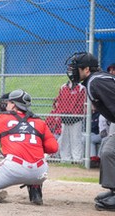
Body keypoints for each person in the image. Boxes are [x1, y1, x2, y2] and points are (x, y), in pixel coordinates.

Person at [65, 52, 115, 211]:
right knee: (107, 147)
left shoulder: (95, 81)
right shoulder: (96, 80)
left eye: (77, 68)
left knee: (109, 150)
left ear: (86, 69)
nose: (73, 71)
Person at [55, 80, 86, 162]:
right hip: (64, 118)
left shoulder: (81, 88)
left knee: (76, 139)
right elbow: (59, 101)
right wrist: (60, 114)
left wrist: (74, 115)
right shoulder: (63, 87)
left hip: (76, 118)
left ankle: (77, 160)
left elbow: (81, 104)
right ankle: (65, 159)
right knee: (64, 140)